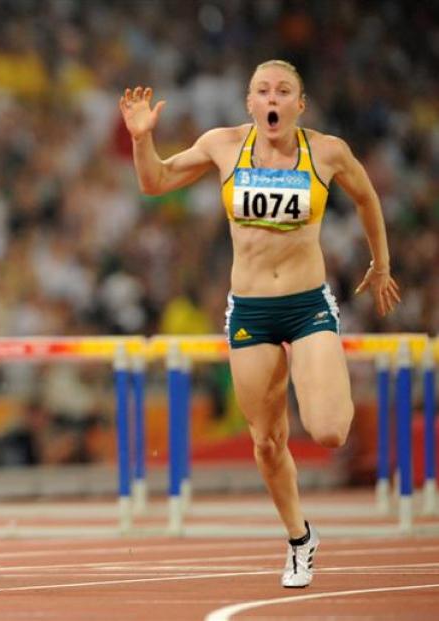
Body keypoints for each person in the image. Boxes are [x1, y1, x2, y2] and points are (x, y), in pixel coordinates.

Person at [120, 60, 400, 588]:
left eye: (284, 90)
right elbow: (154, 181)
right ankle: (300, 539)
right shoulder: (223, 145)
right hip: (250, 310)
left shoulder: (327, 151)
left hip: (307, 305)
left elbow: (367, 197)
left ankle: (319, 380)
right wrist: (141, 139)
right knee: (268, 442)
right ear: (249, 103)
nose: (272, 98)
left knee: (329, 431)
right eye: (262, 90)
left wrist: (380, 263)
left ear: (300, 104)